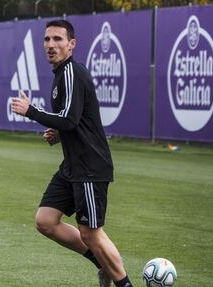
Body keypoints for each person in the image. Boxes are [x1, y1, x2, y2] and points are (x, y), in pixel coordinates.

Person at [11, 19, 133, 287]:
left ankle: (123, 281)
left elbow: (68, 119)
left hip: (89, 166)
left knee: (90, 233)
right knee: (45, 220)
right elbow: (73, 120)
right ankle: (103, 264)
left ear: (72, 44)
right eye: (47, 40)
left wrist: (31, 111)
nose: (51, 45)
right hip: (73, 166)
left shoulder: (71, 72)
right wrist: (58, 133)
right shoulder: (60, 75)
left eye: (58, 39)